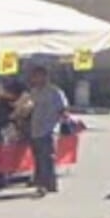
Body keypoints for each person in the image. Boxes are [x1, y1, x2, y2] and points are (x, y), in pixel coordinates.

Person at [28, 66, 69, 196]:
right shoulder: (33, 92)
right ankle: (40, 182)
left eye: (38, 76)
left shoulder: (55, 92)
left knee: (48, 157)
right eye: (34, 76)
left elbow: (63, 109)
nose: (36, 79)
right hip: (35, 128)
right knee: (38, 158)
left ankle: (49, 184)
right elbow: (29, 107)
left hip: (49, 128)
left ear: (45, 77)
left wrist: (63, 122)